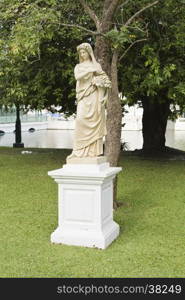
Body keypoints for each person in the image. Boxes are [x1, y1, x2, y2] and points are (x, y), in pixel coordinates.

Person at [67, 42, 111, 160]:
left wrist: (104, 95)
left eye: (84, 52)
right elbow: (77, 77)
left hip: (94, 96)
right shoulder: (78, 66)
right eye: (81, 52)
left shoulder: (95, 65)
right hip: (83, 96)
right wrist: (89, 70)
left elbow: (105, 79)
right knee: (80, 120)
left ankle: (93, 152)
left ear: (89, 52)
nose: (82, 54)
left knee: (95, 121)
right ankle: (77, 151)